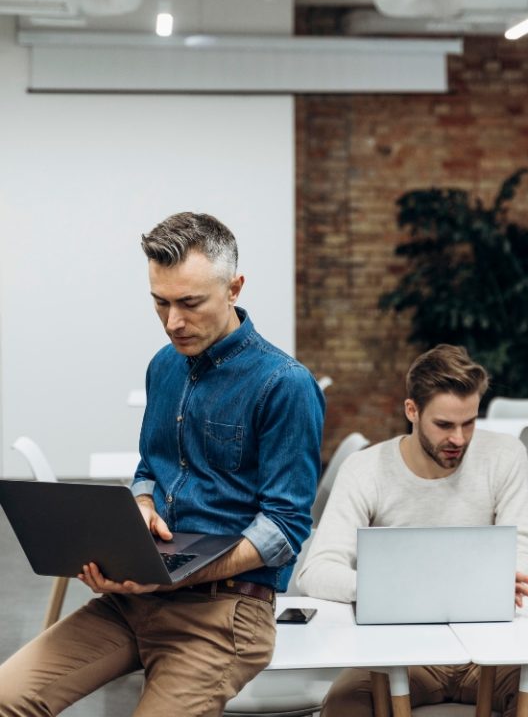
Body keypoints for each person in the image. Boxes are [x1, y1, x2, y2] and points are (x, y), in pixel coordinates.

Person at [0, 212, 325, 716]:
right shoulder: (164, 366)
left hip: (224, 614)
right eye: (161, 302)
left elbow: (284, 530)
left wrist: (176, 575)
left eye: (190, 303)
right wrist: (141, 510)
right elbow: (149, 468)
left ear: (234, 287)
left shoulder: (285, 385)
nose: (174, 321)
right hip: (136, 600)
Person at [298, 344, 528, 717]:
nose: (459, 438)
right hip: (400, 651)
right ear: (412, 410)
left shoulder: (505, 455)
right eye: (444, 425)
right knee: (345, 704)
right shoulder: (365, 468)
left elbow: (524, 551)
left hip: (490, 648)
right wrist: (391, 590)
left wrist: (518, 575)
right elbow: (317, 570)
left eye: (469, 422)